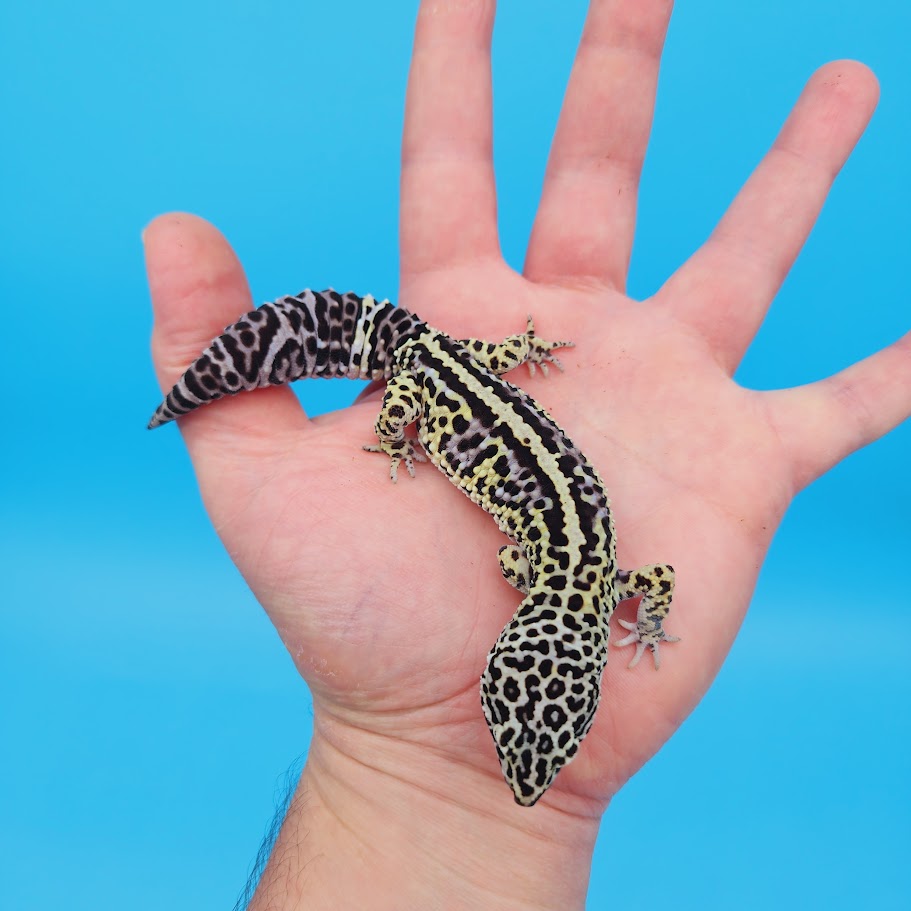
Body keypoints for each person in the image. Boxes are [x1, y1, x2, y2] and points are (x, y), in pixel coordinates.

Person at [144, 2, 908, 908]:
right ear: (552, 659)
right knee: (407, 387)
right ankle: (351, 392)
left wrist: (645, 610)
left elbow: (648, 578)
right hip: (435, 376)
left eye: (516, 733)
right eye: (531, 735)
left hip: (467, 369)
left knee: (424, 377)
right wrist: (396, 435)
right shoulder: (543, 570)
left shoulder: (590, 576)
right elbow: (621, 579)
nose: (521, 757)